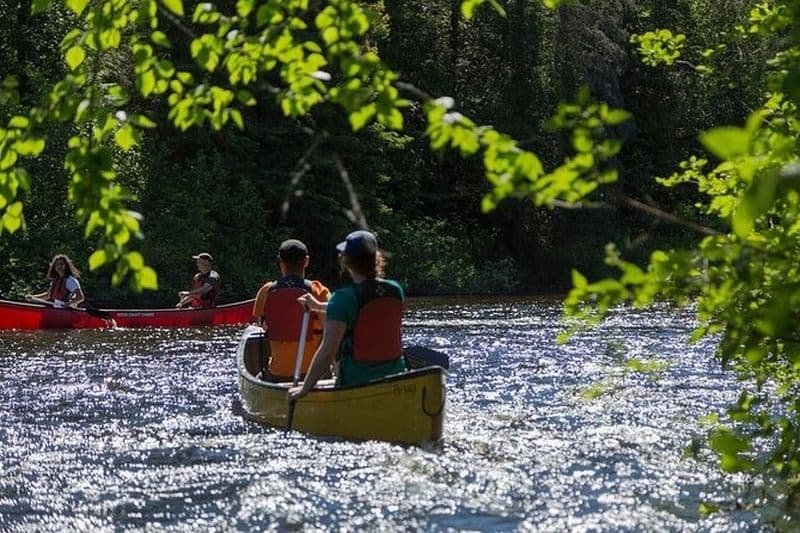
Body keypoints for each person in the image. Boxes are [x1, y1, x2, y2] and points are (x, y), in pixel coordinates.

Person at [288, 230, 405, 401]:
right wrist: (319, 306)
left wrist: (304, 389)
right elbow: (361, 308)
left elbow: (328, 352)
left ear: (346, 261)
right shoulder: (395, 290)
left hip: (357, 382)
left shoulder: (343, 298)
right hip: (395, 378)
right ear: (376, 259)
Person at [252, 239, 331, 381]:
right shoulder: (319, 290)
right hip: (314, 375)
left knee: (260, 373)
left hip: (277, 375)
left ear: (279, 262)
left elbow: (260, 322)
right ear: (306, 261)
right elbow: (333, 326)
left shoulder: (266, 291)